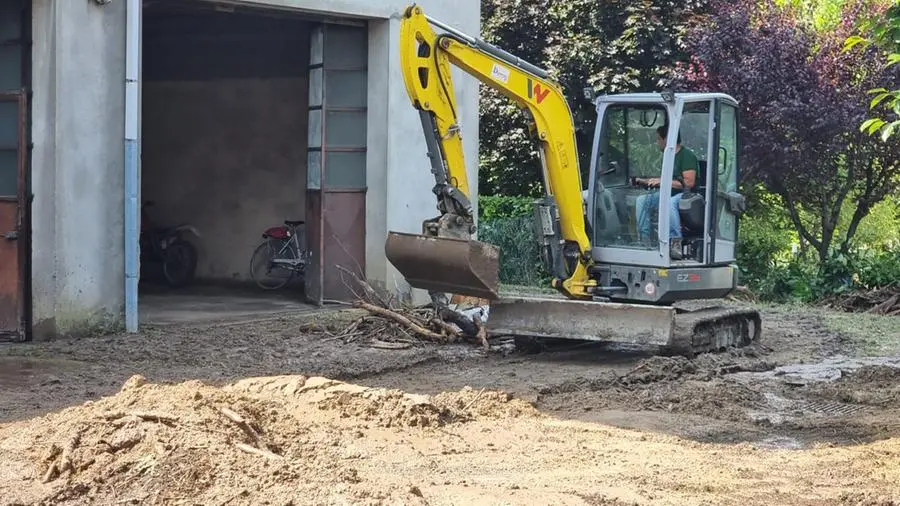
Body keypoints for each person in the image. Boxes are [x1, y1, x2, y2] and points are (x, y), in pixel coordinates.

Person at [634, 125, 698, 260]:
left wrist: (662, 181)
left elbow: (689, 183)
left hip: (685, 195)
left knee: (669, 203)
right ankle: (644, 241)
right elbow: (665, 180)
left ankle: (675, 243)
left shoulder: (687, 156)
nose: (657, 142)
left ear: (667, 139)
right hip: (667, 193)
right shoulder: (668, 156)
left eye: (658, 139)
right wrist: (644, 181)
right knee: (642, 200)